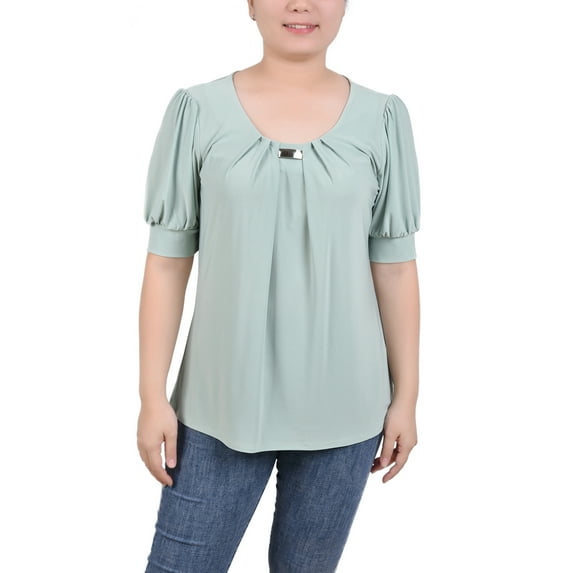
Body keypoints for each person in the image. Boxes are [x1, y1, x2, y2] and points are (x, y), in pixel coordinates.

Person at [137, 0, 421, 571]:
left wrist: (407, 398)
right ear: (249, 3)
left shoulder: (383, 117)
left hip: (346, 410)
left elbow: (394, 267)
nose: (300, 4)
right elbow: (167, 263)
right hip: (218, 406)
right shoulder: (197, 110)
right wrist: (151, 398)